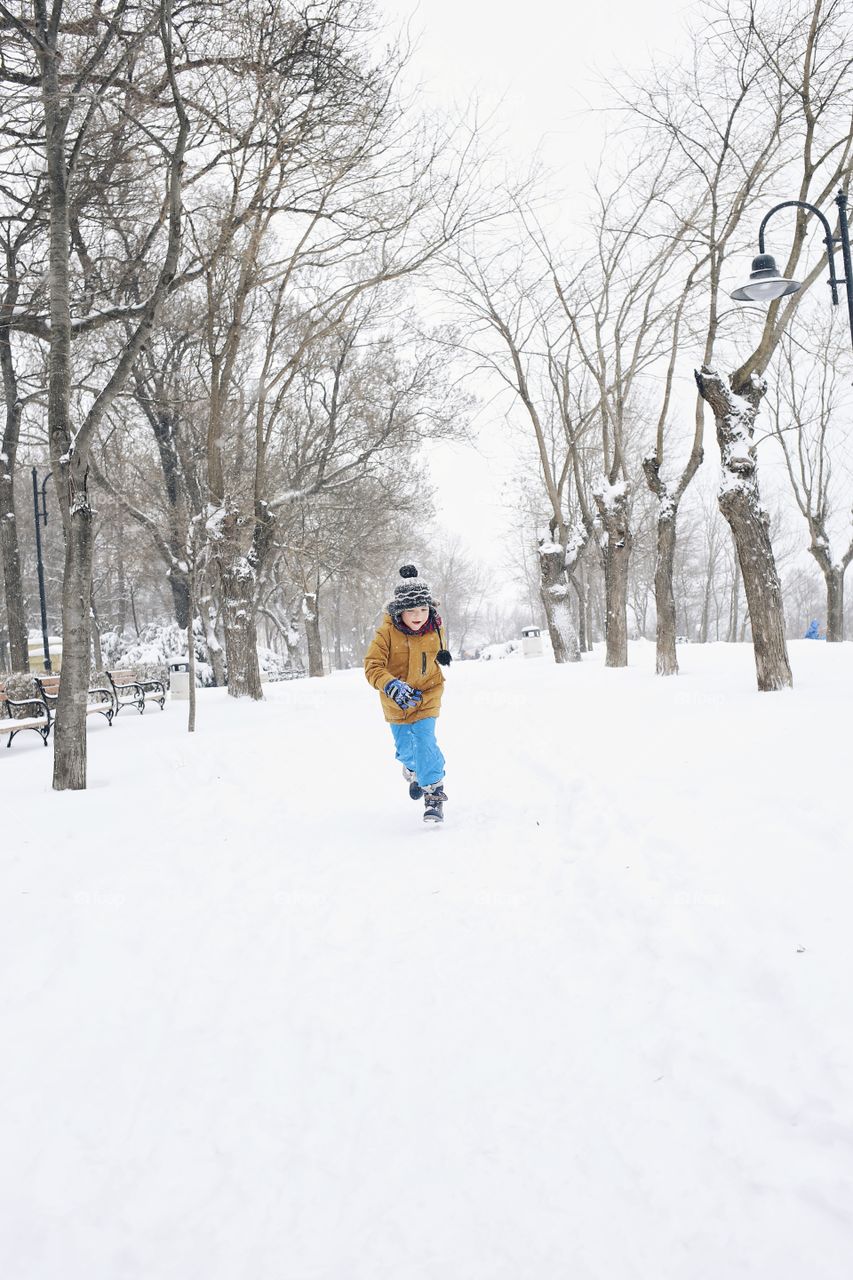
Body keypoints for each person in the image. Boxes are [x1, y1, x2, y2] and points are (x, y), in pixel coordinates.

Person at [364, 565, 452, 822]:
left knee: (425, 740)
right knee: (406, 750)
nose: (418, 616)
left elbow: (435, 653)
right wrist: (391, 685)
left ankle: (433, 793)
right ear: (399, 610)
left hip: (428, 693)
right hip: (397, 702)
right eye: (411, 610)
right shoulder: (386, 633)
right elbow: (372, 666)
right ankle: (413, 769)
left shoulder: (435, 628)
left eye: (423, 609)